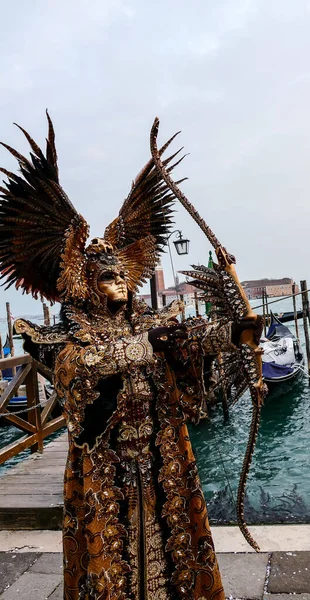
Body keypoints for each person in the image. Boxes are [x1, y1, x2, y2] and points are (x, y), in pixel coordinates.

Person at [1, 113, 259, 600]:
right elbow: (76, 368)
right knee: (113, 562)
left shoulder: (150, 322)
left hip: (163, 452)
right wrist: (141, 349)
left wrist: (234, 333)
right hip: (108, 462)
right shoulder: (72, 331)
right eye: (105, 276)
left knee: (174, 548)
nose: (117, 280)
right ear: (86, 282)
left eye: (120, 273)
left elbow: (189, 339)